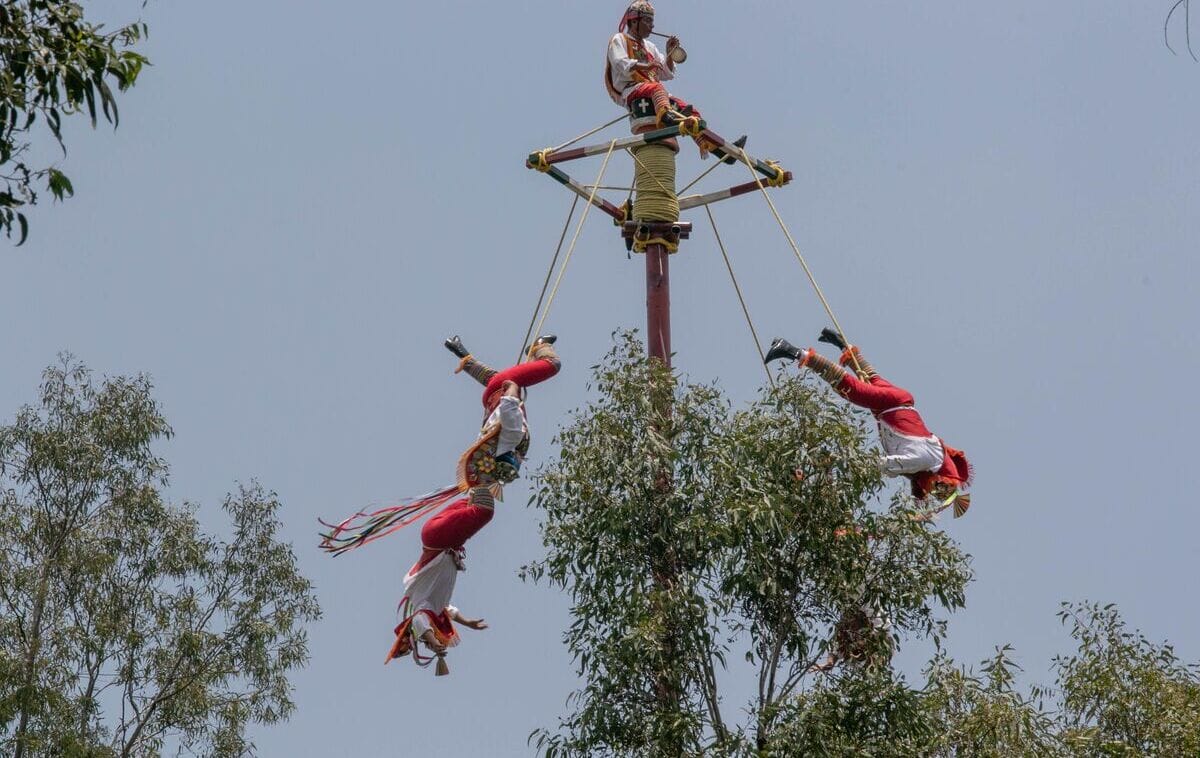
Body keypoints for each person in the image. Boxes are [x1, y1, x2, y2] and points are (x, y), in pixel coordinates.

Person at [384, 336, 561, 671]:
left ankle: (540, 345)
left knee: (484, 510)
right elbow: (446, 611)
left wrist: (434, 647)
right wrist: (465, 622)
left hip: (439, 541)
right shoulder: (432, 606)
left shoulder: (510, 430)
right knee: (478, 501)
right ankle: (469, 355)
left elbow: (422, 623)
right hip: (441, 538)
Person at [765, 329, 971, 518]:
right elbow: (885, 464)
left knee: (870, 377)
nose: (932, 491)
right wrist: (843, 464)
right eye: (938, 489)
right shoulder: (924, 460)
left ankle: (840, 343)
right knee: (849, 389)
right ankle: (791, 350)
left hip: (894, 405)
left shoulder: (929, 462)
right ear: (942, 478)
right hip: (892, 405)